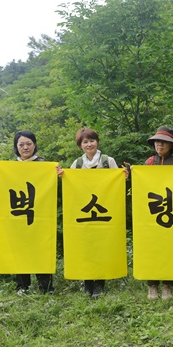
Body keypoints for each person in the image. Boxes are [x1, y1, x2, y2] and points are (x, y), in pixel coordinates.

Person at [56, 128, 128, 299]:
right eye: (85, 142)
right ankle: (88, 283)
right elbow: (70, 183)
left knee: (102, 247)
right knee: (86, 247)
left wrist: (123, 175)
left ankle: (100, 285)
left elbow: (117, 181)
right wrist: (62, 176)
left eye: (92, 140)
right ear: (80, 146)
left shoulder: (107, 160)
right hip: (83, 215)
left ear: (97, 142)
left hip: (105, 214)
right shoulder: (77, 164)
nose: (89, 144)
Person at [0, 130, 54, 294]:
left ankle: (46, 287)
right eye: (21, 144)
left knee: (40, 248)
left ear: (34, 145)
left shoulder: (44, 165)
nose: (25, 147)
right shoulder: (11, 167)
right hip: (17, 219)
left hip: (39, 217)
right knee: (20, 249)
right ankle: (23, 287)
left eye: (29, 144)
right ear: (16, 147)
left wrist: (58, 172)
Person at [143, 126, 173, 301]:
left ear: (171, 145)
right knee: (151, 248)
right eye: (156, 142)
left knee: (170, 247)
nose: (159, 144)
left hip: (172, 211)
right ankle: (152, 286)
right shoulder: (149, 162)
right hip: (152, 212)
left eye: (163, 142)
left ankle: (168, 285)